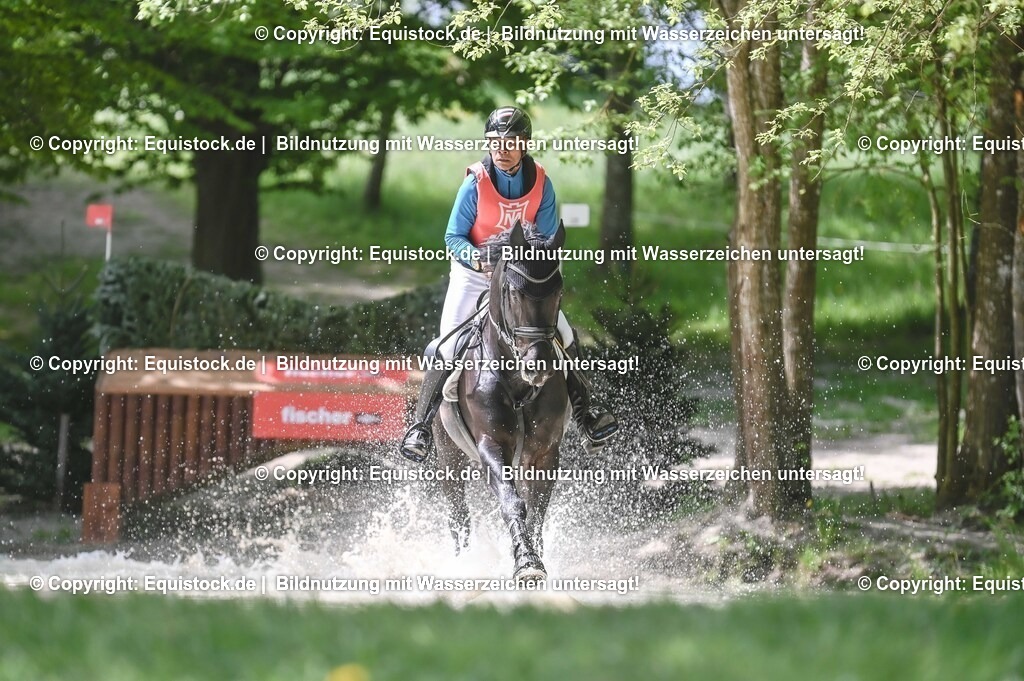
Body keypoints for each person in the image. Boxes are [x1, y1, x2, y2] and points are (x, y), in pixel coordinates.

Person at [399, 106, 618, 462]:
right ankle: (421, 428)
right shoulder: (474, 183)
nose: (501, 149)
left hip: (520, 278)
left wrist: (535, 272)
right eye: (494, 142)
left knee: (564, 336)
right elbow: (453, 236)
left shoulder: (542, 183)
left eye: (510, 142)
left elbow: (546, 240)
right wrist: (479, 260)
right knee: (446, 347)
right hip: (474, 276)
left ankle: (585, 415)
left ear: (525, 144)